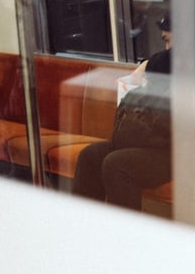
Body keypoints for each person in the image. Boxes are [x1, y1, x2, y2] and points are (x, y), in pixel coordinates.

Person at [73, 41, 173, 211]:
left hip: (172, 154)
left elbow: (164, 133)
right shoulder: (151, 80)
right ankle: (85, 223)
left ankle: (124, 233)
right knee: (90, 155)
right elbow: (121, 130)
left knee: (117, 164)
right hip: (142, 146)